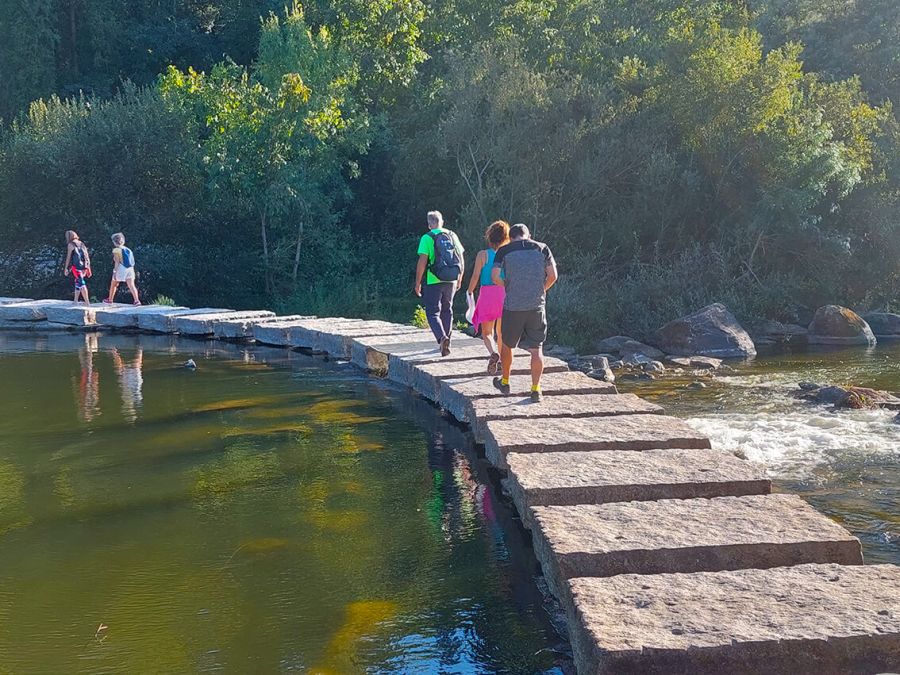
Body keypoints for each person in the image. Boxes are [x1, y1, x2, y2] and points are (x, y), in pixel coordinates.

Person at [491, 223, 558, 402]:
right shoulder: (542, 248)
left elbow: (494, 276)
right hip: (536, 305)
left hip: (513, 306)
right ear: (528, 235)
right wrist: (542, 289)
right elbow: (553, 276)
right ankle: (536, 389)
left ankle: (505, 382)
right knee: (537, 349)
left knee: (507, 345)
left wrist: (508, 285)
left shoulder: (504, 251)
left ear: (511, 237)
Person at [414, 211, 465, 356]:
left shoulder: (427, 237)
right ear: (442, 222)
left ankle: (442, 338)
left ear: (429, 224)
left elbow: (422, 261)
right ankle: (447, 339)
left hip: (434, 280)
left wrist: (418, 282)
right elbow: (460, 258)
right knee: (447, 309)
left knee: (432, 312)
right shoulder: (452, 235)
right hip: (451, 279)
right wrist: (460, 277)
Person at [467, 220, 510, 374]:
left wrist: (469, 291)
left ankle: (493, 354)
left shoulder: (482, 255)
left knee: (487, 333)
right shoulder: (508, 254)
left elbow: (475, 276)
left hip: (487, 294)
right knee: (501, 332)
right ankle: (502, 362)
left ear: (489, 236)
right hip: (504, 294)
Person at [103, 232, 141, 305]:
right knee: (131, 284)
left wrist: (114, 272)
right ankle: (137, 300)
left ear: (114, 242)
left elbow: (117, 262)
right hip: (130, 269)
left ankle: (110, 299)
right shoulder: (128, 249)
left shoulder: (116, 250)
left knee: (114, 283)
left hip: (121, 267)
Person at [63, 230, 92, 304]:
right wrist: (88, 267)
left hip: (76, 267)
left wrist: (66, 268)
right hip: (84, 267)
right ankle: (75, 301)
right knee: (78, 282)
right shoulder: (81, 243)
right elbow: (87, 256)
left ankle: (87, 302)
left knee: (81, 283)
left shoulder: (71, 244)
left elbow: (68, 257)